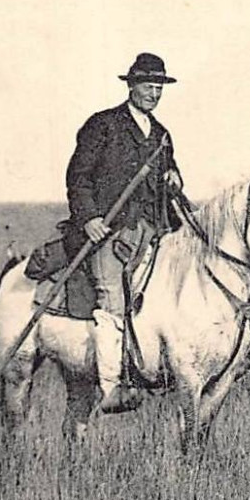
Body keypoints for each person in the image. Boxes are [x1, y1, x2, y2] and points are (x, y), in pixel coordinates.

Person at [63, 52, 185, 413]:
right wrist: (88, 219)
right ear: (131, 86)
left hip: (153, 233)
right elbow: (78, 177)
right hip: (108, 233)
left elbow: (171, 174)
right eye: (148, 86)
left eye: (159, 87)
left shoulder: (162, 136)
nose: (154, 94)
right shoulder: (102, 125)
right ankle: (111, 388)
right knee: (112, 299)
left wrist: (174, 180)